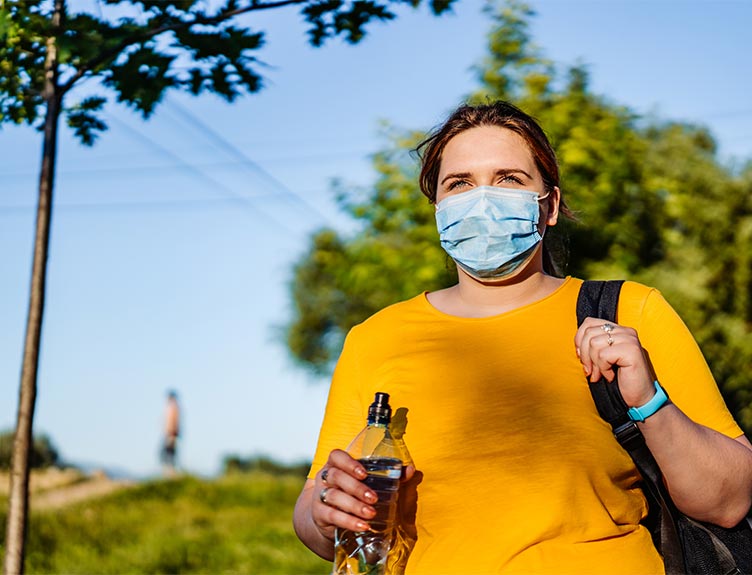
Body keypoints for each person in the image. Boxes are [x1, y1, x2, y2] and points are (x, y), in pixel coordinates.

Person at [292, 101, 752, 573]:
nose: (482, 198)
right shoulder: (377, 337)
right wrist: (327, 509)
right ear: (438, 209)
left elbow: (730, 502)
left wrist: (652, 404)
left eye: (509, 179)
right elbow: (315, 516)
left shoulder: (630, 311)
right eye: (460, 183)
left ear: (548, 206)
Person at [161, 390, 181, 474]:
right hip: (169, 433)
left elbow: (174, 422)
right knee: (167, 453)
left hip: (171, 433)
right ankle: (169, 472)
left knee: (169, 454)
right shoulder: (171, 407)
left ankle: (171, 472)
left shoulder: (174, 408)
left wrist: (172, 433)